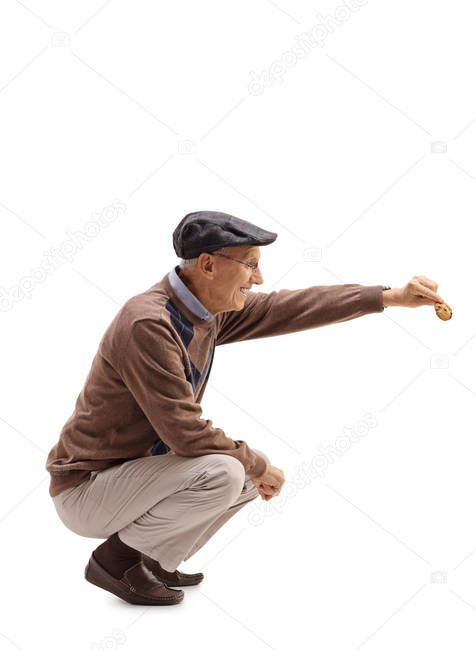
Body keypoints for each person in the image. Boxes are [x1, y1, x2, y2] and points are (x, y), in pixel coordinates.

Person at [44, 210, 445, 605]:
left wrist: (390, 297)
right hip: (88, 489)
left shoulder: (202, 311)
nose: (258, 278)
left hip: (130, 479)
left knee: (247, 473)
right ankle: (116, 563)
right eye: (251, 265)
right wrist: (253, 463)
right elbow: (184, 432)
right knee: (226, 469)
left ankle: (152, 560)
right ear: (208, 265)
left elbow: (291, 307)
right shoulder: (148, 323)